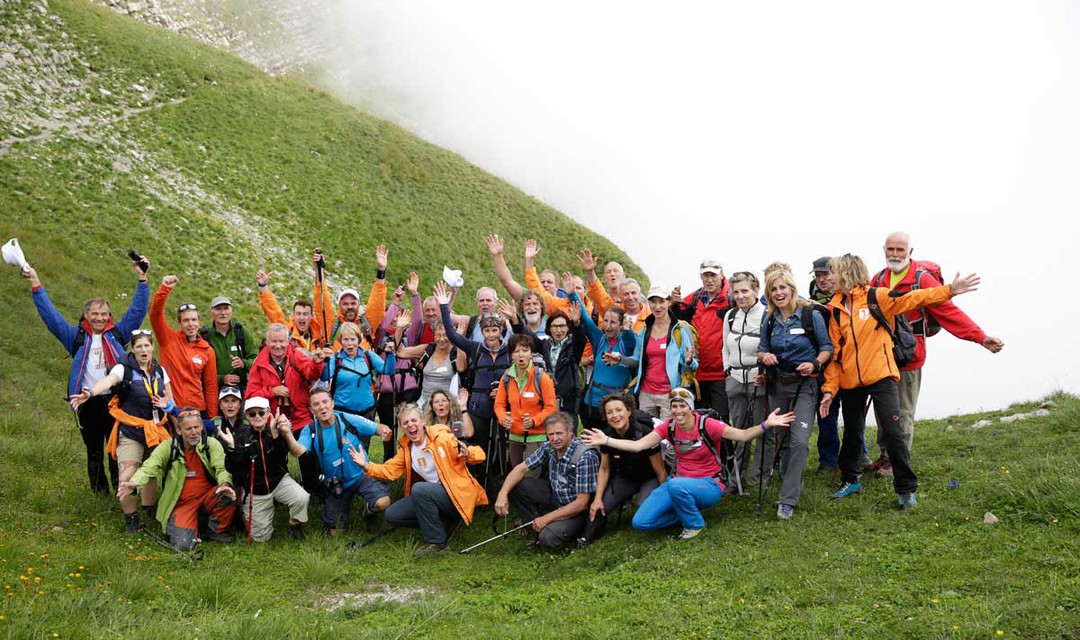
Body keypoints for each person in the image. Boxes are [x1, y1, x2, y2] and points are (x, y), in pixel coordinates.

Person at [819, 254, 982, 508]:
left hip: (882, 376)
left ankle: (906, 489)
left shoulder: (878, 297)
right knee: (851, 434)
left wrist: (949, 290)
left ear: (846, 273)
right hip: (851, 382)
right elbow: (835, 356)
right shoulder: (836, 308)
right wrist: (829, 390)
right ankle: (851, 480)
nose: (829, 278)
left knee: (894, 434)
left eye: (833, 273)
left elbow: (914, 298)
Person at [864, 232, 1005, 476]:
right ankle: (886, 456)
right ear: (884, 250)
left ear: (910, 252)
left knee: (903, 411)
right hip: (883, 357)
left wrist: (980, 337)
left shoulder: (922, 279)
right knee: (884, 409)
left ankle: (898, 462)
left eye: (900, 250)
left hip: (910, 356)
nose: (895, 254)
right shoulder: (878, 279)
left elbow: (949, 313)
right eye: (891, 249)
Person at [582, 388, 794, 539]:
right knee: (641, 522)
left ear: (690, 408)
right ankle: (687, 512)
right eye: (674, 407)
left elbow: (744, 435)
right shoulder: (669, 427)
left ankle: (695, 524)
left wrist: (767, 424)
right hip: (680, 483)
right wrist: (606, 441)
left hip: (709, 484)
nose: (677, 411)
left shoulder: (707, 425)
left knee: (673, 484)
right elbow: (639, 446)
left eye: (682, 406)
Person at [23, 256, 149, 494]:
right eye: (95, 314)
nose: (100, 318)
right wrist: (36, 285)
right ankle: (99, 495)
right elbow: (51, 318)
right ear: (86, 315)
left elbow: (137, 311)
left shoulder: (119, 334)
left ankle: (120, 493)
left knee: (116, 451)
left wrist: (143, 280)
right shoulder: (77, 338)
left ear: (109, 315)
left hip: (116, 402)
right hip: (87, 402)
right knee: (93, 451)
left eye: (104, 314)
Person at [351, 404, 488, 556]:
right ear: (402, 428)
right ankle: (441, 524)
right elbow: (389, 471)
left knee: (420, 489)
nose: (410, 425)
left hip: (456, 495)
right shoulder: (407, 449)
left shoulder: (441, 438)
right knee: (392, 514)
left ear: (423, 422)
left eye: (413, 420)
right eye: (405, 423)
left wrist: (468, 453)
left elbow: (480, 454)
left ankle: (436, 542)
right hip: (431, 496)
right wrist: (366, 465)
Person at [70, 330, 172, 531]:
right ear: (133, 349)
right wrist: (90, 393)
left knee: (150, 472)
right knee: (127, 474)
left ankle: (149, 511)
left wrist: (172, 411)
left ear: (152, 347)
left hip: (156, 430)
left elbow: (170, 399)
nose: (144, 350)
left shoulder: (160, 371)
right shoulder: (123, 368)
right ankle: (131, 518)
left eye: (147, 346)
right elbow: (108, 382)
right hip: (131, 430)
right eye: (139, 346)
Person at [756, 269, 833, 520]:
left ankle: (788, 500)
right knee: (782, 439)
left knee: (799, 440)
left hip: (805, 386)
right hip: (777, 384)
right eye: (773, 290)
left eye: (782, 288)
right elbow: (761, 349)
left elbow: (826, 348)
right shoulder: (768, 320)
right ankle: (790, 481)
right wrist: (764, 356)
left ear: (791, 289)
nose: (778, 293)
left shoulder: (810, 315)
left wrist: (814, 364)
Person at [278, 388, 392, 535]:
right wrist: (288, 433)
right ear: (311, 409)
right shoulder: (310, 430)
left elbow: (377, 428)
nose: (322, 407)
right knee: (336, 532)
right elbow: (298, 451)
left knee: (383, 502)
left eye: (325, 402)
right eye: (316, 404)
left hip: (361, 475)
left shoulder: (348, 419)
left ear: (332, 403)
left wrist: (384, 431)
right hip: (336, 484)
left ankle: (368, 512)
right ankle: (341, 509)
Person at [119, 409, 237, 550]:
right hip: (181, 504)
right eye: (188, 428)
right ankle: (191, 527)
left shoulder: (211, 444)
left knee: (227, 493)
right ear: (179, 430)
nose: (194, 432)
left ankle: (213, 532)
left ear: (202, 427)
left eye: (196, 427)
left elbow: (222, 469)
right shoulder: (168, 447)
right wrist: (135, 483)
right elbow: (149, 466)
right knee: (183, 546)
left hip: (207, 497)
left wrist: (225, 484)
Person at [435, 281, 511, 483]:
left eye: (495, 331)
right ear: (482, 333)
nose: (491, 335)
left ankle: (501, 482)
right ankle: (478, 484)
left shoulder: (510, 350)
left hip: (504, 405)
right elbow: (452, 334)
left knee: (503, 445)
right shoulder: (475, 348)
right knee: (478, 445)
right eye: (487, 331)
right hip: (480, 405)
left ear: (501, 331)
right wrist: (444, 306)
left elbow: (531, 343)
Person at [494, 412, 599, 550]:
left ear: (570, 432)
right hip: (556, 497)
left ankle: (560, 531)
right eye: (551, 434)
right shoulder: (549, 447)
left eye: (559, 433)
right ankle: (535, 529)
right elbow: (520, 469)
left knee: (547, 538)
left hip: (577, 511)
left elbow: (582, 504)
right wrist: (502, 494)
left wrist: (548, 518)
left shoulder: (585, 456)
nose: (555, 438)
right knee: (516, 484)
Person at [246, 323, 326, 495]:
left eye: (282, 341)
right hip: (273, 421)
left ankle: (314, 489)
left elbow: (311, 373)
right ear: (267, 341)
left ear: (287, 341)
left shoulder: (296, 355)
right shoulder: (259, 364)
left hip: (300, 417)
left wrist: (318, 363)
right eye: (274, 342)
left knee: (307, 455)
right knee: (276, 459)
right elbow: (251, 394)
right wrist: (272, 391)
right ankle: (281, 491)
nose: (278, 346)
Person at [217, 396, 309, 542]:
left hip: (278, 481)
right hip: (255, 490)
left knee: (302, 498)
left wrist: (275, 434)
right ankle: (246, 514)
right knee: (260, 538)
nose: (257, 417)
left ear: (268, 413)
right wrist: (232, 449)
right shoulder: (240, 436)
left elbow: (281, 457)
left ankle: (294, 525)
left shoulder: (275, 430)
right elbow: (233, 468)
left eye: (261, 412)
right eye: (252, 414)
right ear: (246, 415)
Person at [583, 394, 665, 542]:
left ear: (629, 412)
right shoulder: (606, 435)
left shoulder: (645, 432)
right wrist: (597, 499)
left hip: (649, 477)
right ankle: (589, 537)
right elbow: (604, 469)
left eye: (619, 410)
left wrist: (666, 495)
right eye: (609, 412)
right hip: (626, 478)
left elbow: (660, 470)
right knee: (601, 507)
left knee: (644, 507)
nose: (615, 415)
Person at [320, 321, 396, 452]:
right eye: (345, 339)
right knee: (343, 447)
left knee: (363, 448)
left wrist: (390, 354)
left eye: (353, 339)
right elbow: (325, 377)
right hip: (342, 412)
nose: (350, 344)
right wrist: (324, 361)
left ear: (359, 339)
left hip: (366, 411)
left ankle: (362, 472)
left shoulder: (368, 356)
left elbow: (387, 370)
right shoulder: (335, 358)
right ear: (340, 341)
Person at [672, 259, 733, 421]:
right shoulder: (694, 298)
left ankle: (724, 447)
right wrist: (673, 304)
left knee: (721, 420)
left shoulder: (731, 298)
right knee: (697, 420)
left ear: (721, 275)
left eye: (713, 275)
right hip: (697, 372)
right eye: (706, 275)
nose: (709, 279)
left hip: (721, 374)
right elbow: (676, 321)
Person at [722, 271, 768, 486]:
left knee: (762, 430)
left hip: (758, 380)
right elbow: (725, 347)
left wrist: (765, 375)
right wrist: (728, 371)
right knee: (738, 431)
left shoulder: (767, 315)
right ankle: (736, 479)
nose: (740, 296)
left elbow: (771, 349)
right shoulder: (730, 315)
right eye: (736, 291)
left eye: (745, 291)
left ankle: (758, 478)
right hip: (735, 380)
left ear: (756, 291)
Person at [150, 275, 219, 418]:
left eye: (194, 320)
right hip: (170, 406)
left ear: (200, 322)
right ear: (179, 323)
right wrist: (165, 289)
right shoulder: (168, 339)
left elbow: (211, 387)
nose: (190, 324)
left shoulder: (207, 351)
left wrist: (212, 419)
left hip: (197, 410)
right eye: (186, 320)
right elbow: (155, 315)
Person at [631, 284, 697, 421]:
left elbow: (694, 365)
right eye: (653, 302)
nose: (657, 306)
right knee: (646, 434)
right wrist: (619, 359)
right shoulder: (644, 330)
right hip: (646, 393)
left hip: (671, 394)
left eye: (661, 301)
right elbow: (636, 359)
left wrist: (689, 361)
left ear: (669, 302)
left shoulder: (680, 330)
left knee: (668, 437)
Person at [573, 289, 638, 430]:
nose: (608, 326)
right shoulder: (599, 339)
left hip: (618, 404)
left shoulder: (626, 341)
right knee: (592, 443)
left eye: (613, 322)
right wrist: (572, 293)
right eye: (606, 321)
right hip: (593, 402)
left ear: (621, 325)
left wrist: (628, 330)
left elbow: (631, 343)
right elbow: (585, 317)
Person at [494, 334, 558, 467]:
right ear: (511, 355)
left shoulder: (542, 377)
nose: (521, 355)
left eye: (525, 350)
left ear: (531, 354)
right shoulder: (506, 377)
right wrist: (503, 418)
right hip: (513, 435)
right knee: (515, 474)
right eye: (516, 351)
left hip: (537, 436)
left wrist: (534, 421)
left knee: (530, 477)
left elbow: (551, 408)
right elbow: (499, 405)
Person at [312, 246, 388, 351]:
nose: (350, 307)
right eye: (345, 304)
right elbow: (321, 303)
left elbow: (377, 303)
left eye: (353, 303)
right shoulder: (331, 326)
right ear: (339, 306)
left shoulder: (367, 324)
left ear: (359, 305)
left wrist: (381, 271)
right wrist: (319, 271)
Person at [809, 257, 841, 474]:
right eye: (818, 275)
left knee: (853, 414)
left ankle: (858, 454)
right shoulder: (811, 296)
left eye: (825, 274)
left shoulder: (845, 295)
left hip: (848, 362)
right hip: (823, 364)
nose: (821, 279)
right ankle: (828, 460)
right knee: (826, 414)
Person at [398, 320, 467, 409]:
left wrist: (459, 339)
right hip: (425, 403)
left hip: (448, 405)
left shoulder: (456, 351)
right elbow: (400, 353)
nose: (442, 339)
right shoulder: (428, 349)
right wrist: (399, 329)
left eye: (446, 335)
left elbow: (461, 368)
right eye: (438, 335)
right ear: (433, 335)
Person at [255, 266, 322, 352]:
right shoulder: (286, 332)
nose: (301, 318)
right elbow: (273, 310)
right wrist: (263, 286)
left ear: (312, 316)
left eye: (305, 314)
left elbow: (324, 308)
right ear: (293, 315)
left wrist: (319, 271)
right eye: (298, 314)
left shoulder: (319, 336)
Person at [201, 296, 257, 390]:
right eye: (218, 309)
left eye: (226, 308)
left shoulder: (241, 332)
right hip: (213, 390)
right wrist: (222, 379)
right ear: (211, 312)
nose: (223, 313)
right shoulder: (204, 336)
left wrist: (243, 363)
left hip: (240, 389)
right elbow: (198, 368)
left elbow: (255, 360)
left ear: (231, 311)